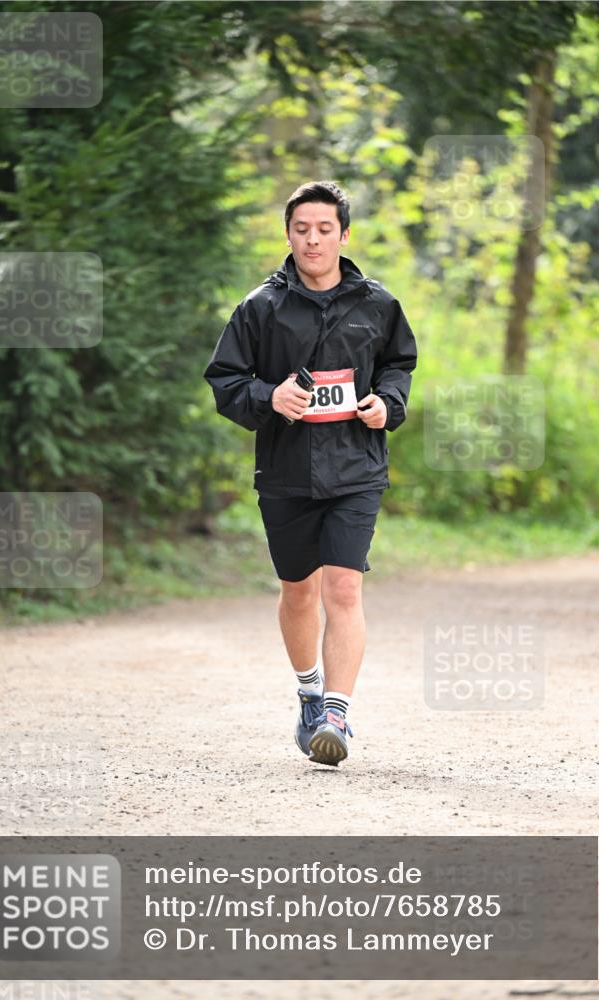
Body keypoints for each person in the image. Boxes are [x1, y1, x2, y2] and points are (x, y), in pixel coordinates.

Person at [204, 180, 417, 766]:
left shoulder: (376, 303)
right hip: (287, 471)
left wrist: (386, 405)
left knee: (343, 587)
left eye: (325, 229)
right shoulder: (260, 307)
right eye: (302, 229)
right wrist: (270, 398)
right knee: (298, 591)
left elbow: (398, 364)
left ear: (344, 235)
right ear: (289, 235)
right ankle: (308, 693)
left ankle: (337, 717)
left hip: (356, 468)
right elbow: (225, 379)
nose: (313, 239)